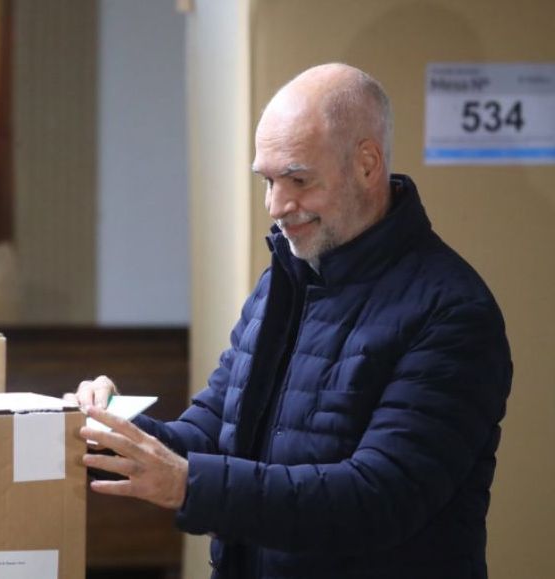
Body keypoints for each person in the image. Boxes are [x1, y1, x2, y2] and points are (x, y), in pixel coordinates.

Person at [67, 63, 512, 579]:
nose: (277, 205)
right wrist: (111, 431)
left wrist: (188, 485)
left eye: (298, 179)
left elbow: (377, 500)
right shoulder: (281, 281)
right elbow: (214, 431)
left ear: (368, 164)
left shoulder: (453, 311)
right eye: (268, 180)